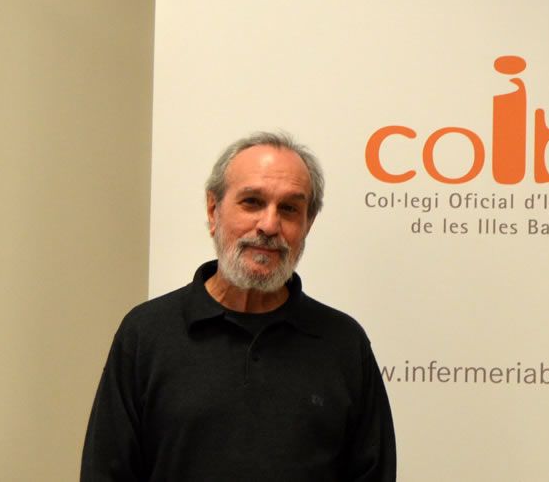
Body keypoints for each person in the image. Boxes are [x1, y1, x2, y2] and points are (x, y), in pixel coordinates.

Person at [82, 131, 396, 481]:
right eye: (252, 202)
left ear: (307, 224)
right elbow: (106, 472)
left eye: (289, 209)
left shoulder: (344, 343)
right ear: (213, 210)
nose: (269, 225)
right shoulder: (146, 334)